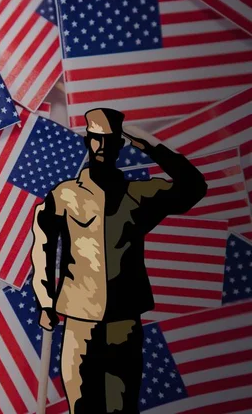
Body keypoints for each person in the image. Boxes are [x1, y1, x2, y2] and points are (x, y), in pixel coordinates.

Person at [30, 108, 207, 414]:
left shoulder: (138, 194)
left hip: (123, 321)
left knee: (121, 408)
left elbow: (193, 187)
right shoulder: (64, 196)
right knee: (82, 407)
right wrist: (45, 301)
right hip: (80, 319)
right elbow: (43, 248)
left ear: (119, 144)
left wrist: (151, 146)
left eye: (108, 141)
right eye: (94, 140)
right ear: (87, 141)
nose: (99, 147)